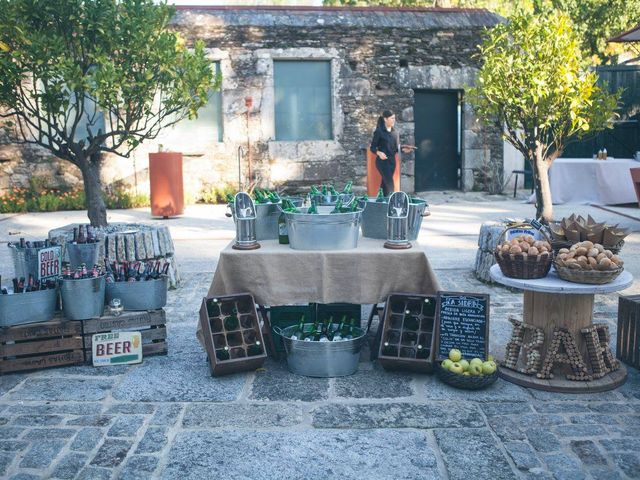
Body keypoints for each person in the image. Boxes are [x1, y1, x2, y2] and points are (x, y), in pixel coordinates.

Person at [369, 110, 415, 196]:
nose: (394, 120)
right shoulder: (379, 132)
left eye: (394, 118)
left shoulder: (395, 133)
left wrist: (404, 149)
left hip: (392, 162)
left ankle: (382, 203)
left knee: (385, 185)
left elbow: (396, 148)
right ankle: (394, 203)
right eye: (392, 118)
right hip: (382, 162)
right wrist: (379, 153)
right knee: (390, 184)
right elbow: (372, 148)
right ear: (385, 119)